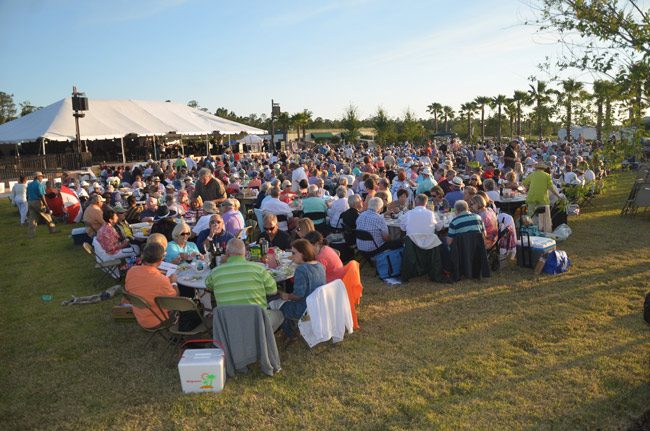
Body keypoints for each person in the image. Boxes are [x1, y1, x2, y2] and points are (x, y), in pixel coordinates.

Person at [205, 238, 284, 331]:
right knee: (279, 314)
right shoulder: (259, 269)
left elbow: (208, 286)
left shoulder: (215, 272)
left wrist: (223, 265)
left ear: (227, 253)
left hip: (228, 323)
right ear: (245, 253)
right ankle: (263, 338)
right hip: (256, 321)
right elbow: (273, 290)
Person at [278, 239, 326, 336]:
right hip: (318, 306)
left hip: (304, 309)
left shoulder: (301, 269)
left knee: (279, 306)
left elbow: (298, 295)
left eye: (294, 253)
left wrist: (286, 296)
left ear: (303, 253)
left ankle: (291, 333)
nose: (291, 256)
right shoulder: (320, 265)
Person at [125, 243, 178, 329]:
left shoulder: (131, 271)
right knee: (184, 303)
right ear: (161, 260)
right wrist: (174, 283)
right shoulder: (161, 280)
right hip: (158, 320)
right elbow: (175, 297)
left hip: (140, 316)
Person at [26, 171, 58, 238]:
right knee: (47, 216)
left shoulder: (29, 184)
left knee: (32, 219)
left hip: (30, 202)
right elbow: (42, 196)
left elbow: (27, 194)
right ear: (37, 177)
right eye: (41, 176)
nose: (42, 178)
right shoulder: (40, 184)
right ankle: (53, 230)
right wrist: (46, 206)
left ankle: (31, 235)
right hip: (37, 202)